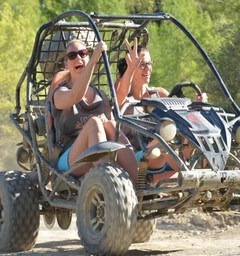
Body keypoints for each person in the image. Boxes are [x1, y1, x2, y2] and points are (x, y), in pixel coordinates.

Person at [115, 38, 208, 180]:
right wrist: (131, 69)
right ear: (131, 66)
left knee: (194, 133)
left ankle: (165, 179)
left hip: (167, 155)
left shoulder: (160, 94)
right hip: (139, 158)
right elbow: (118, 99)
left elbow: (182, 117)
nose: (148, 69)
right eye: (142, 64)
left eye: (149, 64)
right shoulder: (124, 97)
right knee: (163, 139)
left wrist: (198, 107)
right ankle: (183, 176)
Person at [50, 39, 138, 182]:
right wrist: (93, 60)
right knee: (94, 123)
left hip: (99, 153)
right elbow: (75, 96)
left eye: (82, 53)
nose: (78, 58)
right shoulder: (60, 93)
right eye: (72, 56)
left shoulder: (99, 95)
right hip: (69, 158)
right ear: (66, 63)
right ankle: (108, 183)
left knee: (111, 125)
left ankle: (139, 183)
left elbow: (119, 98)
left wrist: (131, 69)